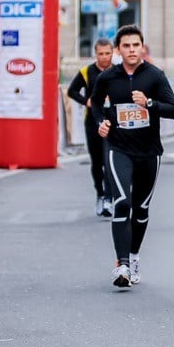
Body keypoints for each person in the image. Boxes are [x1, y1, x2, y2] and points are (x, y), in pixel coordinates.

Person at [91, 25, 174, 288]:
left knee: (141, 208)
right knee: (122, 202)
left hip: (149, 152)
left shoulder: (154, 76)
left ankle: (134, 255)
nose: (131, 50)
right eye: (126, 46)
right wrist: (101, 122)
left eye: (135, 45)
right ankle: (123, 265)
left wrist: (149, 103)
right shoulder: (108, 77)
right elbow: (95, 102)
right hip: (118, 148)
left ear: (142, 47)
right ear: (119, 50)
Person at [67, 38, 114, 217]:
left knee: (109, 160)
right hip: (93, 121)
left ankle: (109, 199)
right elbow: (72, 91)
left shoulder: (117, 71)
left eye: (107, 53)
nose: (104, 57)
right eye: (101, 54)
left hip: (112, 122)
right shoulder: (87, 72)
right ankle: (100, 194)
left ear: (113, 53)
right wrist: (86, 101)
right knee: (97, 163)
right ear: (96, 54)